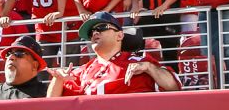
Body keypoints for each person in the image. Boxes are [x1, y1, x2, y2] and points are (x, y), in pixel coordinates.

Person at [45, 11, 180, 95]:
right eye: (91, 32)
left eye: (101, 27)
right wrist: (57, 80)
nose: (95, 33)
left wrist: (149, 68)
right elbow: (52, 105)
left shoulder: (139, 63)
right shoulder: (82, 71)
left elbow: (174, 88)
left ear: (120, 35)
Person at [0, 36, 52, 100]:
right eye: (9, 54)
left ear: (34, 65)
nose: (11, 57)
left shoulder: (47, 95)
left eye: (19, 54)